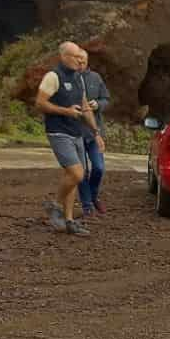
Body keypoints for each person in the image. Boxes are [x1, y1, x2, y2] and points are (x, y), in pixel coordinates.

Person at [35, 42, 95, 235]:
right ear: (63, 57)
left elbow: (84, 105)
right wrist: (66, 111)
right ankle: (54, 205)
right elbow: (40, 103)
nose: (79, 60)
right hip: (59, 132)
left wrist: (96, 131)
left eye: (80, 57)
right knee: (76, 173)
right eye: (75, 57)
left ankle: (69, 221)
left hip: (76, 132)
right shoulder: (53, 77)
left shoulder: (79, 78)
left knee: (76, 176)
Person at [75, 50, 111, 218]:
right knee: (82, 172)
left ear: (87, 61)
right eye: (77, 60)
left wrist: (98, 104)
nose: (79, 63)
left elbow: (106, 99)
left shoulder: (96, 78)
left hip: (94, 132)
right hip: (76, 132)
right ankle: (87, 205)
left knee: (99, 167)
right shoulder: (70, 79)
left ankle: (93, 196)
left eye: (82, 61)